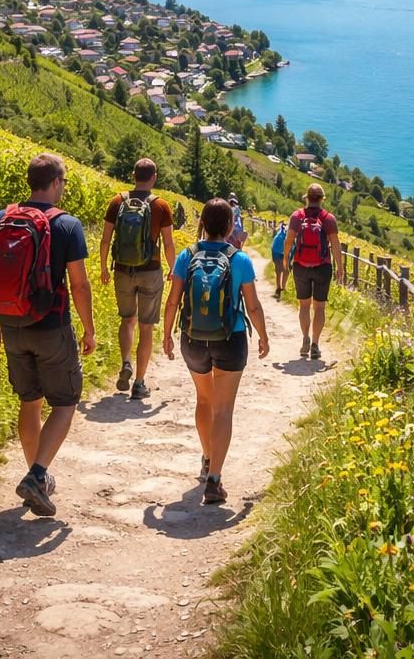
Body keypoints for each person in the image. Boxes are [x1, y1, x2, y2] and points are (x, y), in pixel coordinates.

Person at [0, 153, 96, 518]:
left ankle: (36, 476)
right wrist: (89, 328)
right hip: (50, 325)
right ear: (57, 183)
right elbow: (79, 285)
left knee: (29, 401)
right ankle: (37, 474)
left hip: (11, 323)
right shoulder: (67, 225)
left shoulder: (1, 219)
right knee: (65, 402)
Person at [162, 198, 270, 505]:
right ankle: (215, 480)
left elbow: (173, 301)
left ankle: (207, 458)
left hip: (193, 339)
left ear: (203, 224)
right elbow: (252, 305)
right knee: (223, 409)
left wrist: (167, 335)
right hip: (231, 339)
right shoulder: (240, 260)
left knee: (204, 400)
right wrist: (263, 336)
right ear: (228, 226)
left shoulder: (187, 255)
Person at [100, 157, 177, 401]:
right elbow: (168, 243)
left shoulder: (117, 202)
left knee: (127, 319)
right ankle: (140, 383)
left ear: (134, 175)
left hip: (122, 270)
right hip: (150, 271)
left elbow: (105, 240)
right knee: (146, 327)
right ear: (154, 177)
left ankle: (125, 363)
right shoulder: (161, 206)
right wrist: (173, 269)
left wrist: (103, 267)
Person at [282, 183, 342, 362]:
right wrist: (340, 267)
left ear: (306, 198)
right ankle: (315, 344)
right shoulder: (328, 218)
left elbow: (288, 240)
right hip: (323, 266)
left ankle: (305, 339)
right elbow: (336, 245)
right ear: (322, 199)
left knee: (304, 306)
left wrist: (286, 258)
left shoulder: (297, 216)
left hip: (300, 265)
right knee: (320, 307)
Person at [270, 221, 288, 298]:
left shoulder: (282, 230)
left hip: (276, 250)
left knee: (282, 271)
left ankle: (281, 288)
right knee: (282, 271)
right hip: (277, 251)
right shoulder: (285, 230)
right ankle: (280, 288)